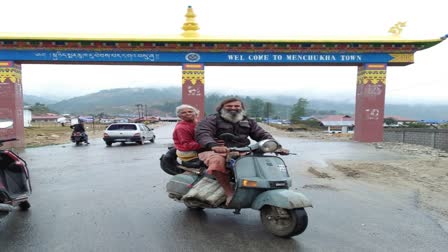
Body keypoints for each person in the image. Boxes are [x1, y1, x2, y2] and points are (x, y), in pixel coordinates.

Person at [195, 97, 287, 206]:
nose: (233, 108)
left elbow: (262, 135)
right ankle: (229, 192)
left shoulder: (248, 121)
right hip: (214, 150)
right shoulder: (211, 119)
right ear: (221, 108)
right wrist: (213, 145)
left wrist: (276, 146)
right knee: (217, 161)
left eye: (237, 106)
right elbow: (203, 133)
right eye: (229, 106)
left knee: (260, 160)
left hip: (241, 150)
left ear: (241, 108)